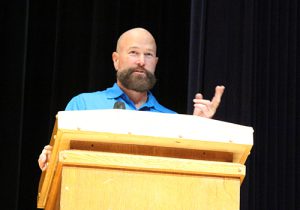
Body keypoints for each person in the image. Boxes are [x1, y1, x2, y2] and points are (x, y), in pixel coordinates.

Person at [38, 27, 225, 171]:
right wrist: (50, 158)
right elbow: (59, 164)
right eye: (134, 53)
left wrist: (198, 129)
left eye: (148, 54)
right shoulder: (84, 105)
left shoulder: (172, 121)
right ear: (115, 60)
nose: (141, 61)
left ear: (156, 63)